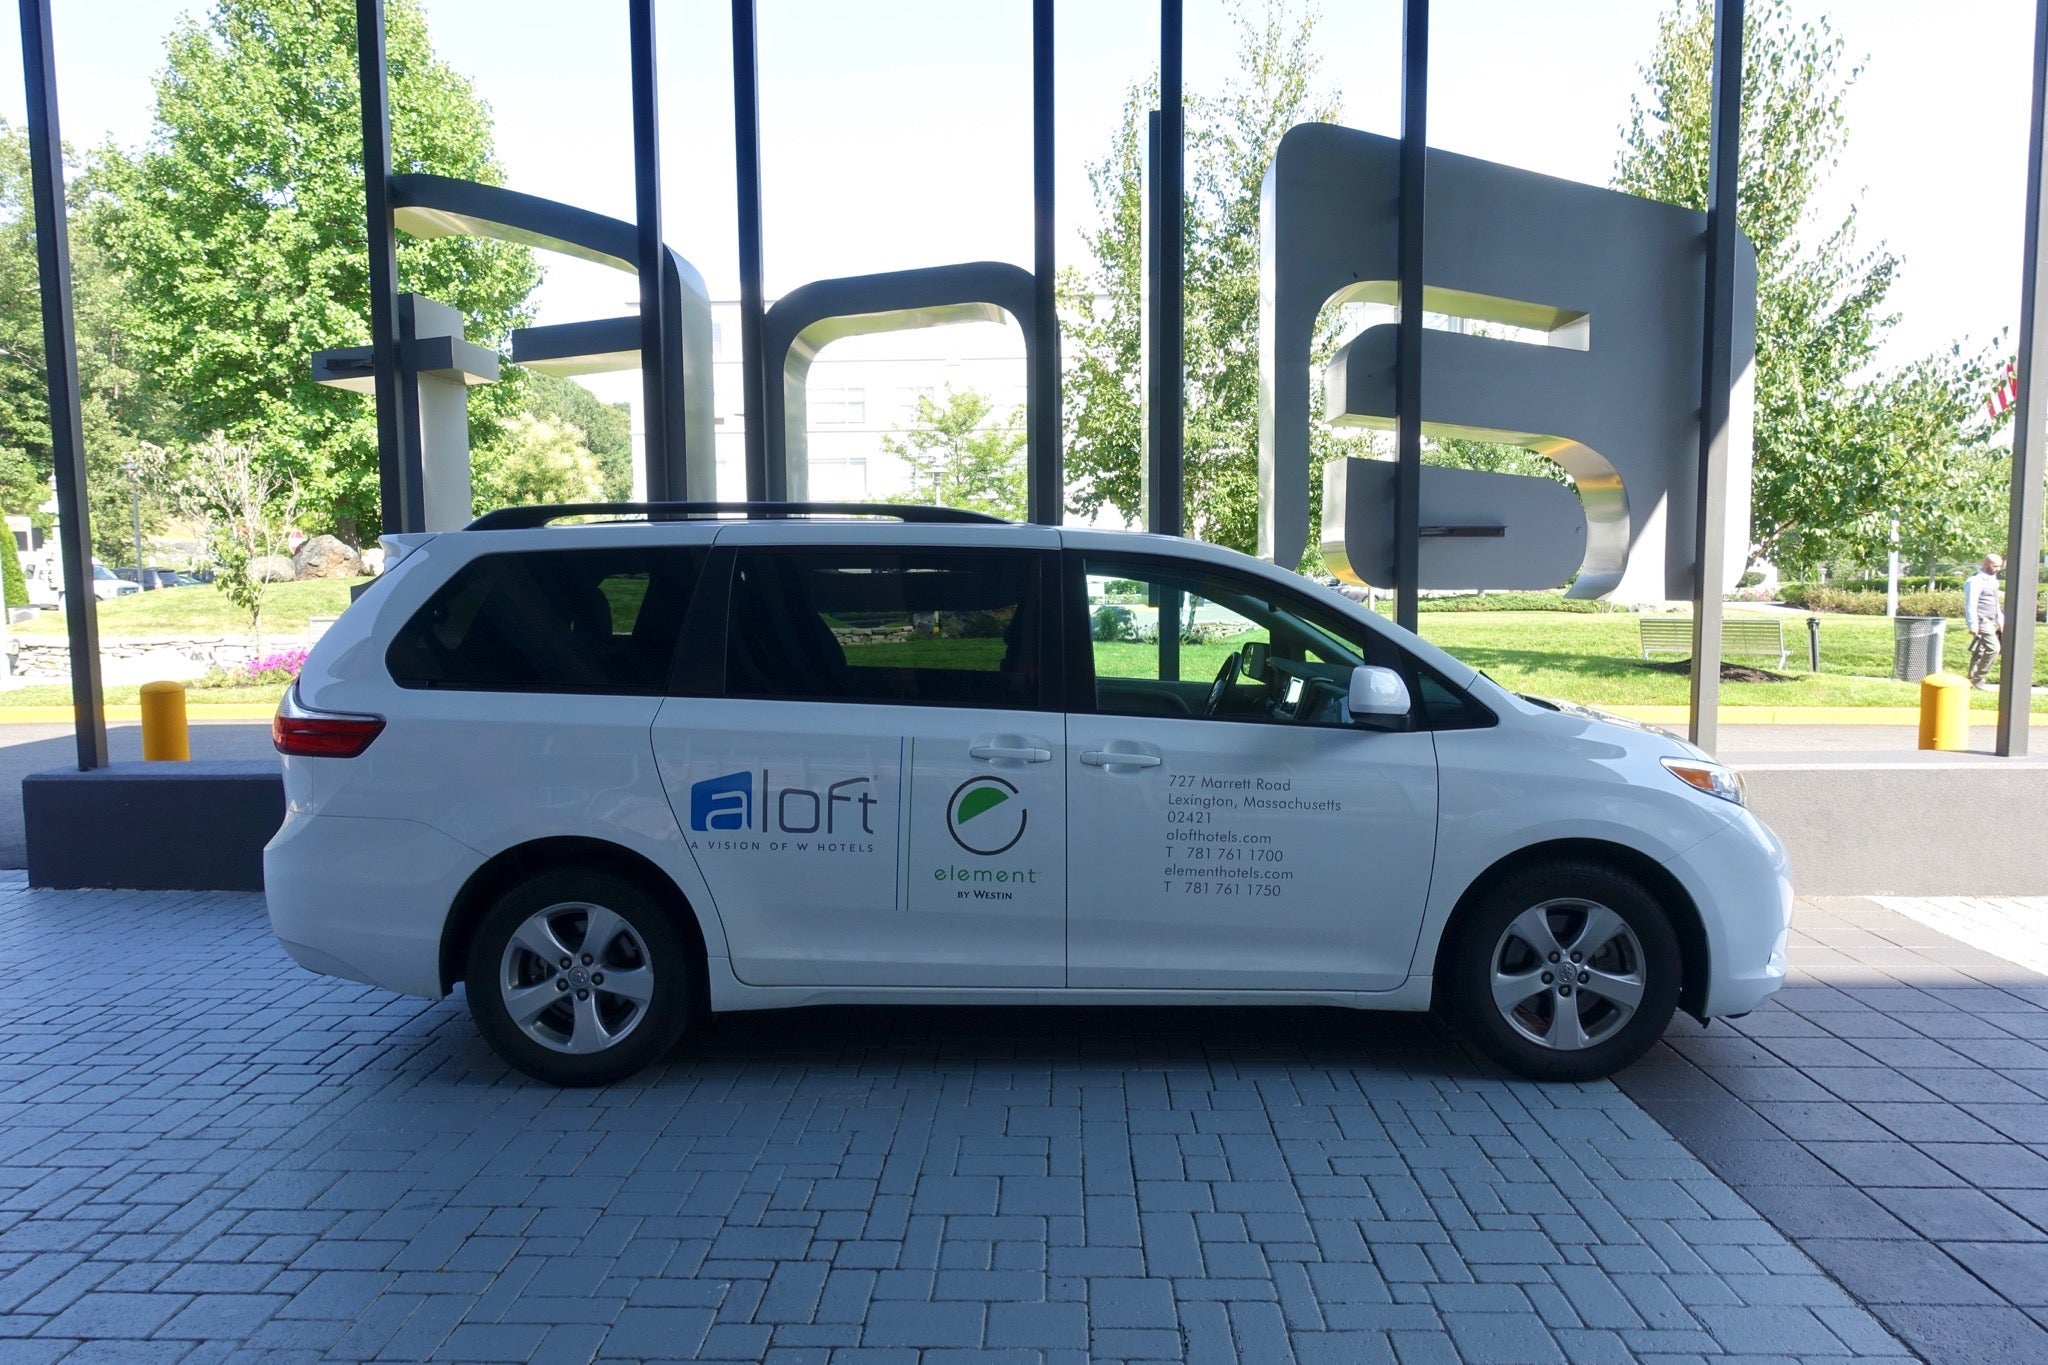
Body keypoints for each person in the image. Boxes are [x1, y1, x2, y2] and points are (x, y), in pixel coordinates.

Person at [1964, 552, 2005, 689]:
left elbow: (1995, 602)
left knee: (1980, 650)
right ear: (1986, 564)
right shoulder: (1975, 581)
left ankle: (1971, 679)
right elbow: (1970, 604)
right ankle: (1978, 679)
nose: (1998, 569)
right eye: (1995, 566)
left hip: (1991, 619)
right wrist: (1972, 624)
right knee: (1994, 648)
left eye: (2000, 566)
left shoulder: (1993, 580)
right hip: (1982, 620)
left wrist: (2001, 620)